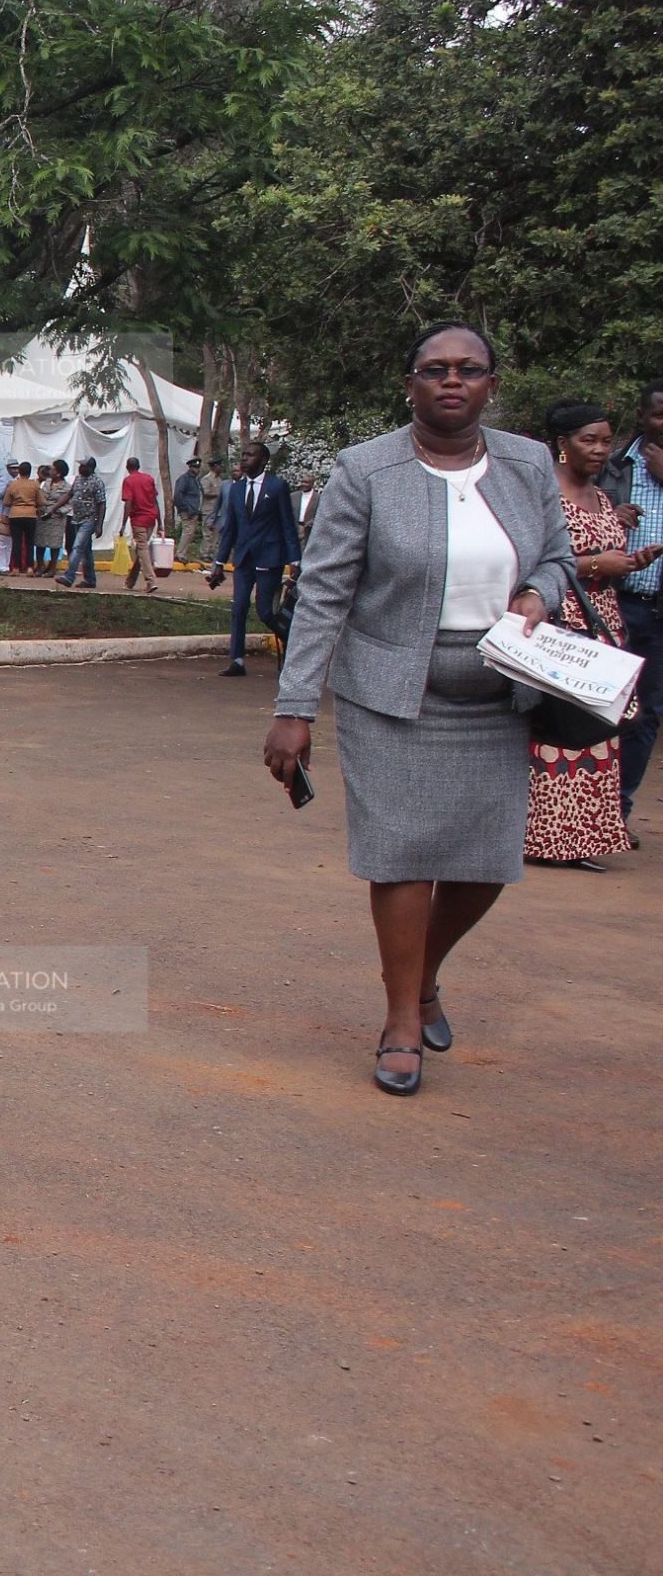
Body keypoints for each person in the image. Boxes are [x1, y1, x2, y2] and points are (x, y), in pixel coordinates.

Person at [264, 321, 573, 1096]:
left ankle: (426, 971)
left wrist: (538, 594)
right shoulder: (365, 470)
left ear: (491, 384)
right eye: (435, 369)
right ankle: (403, 1017)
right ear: (410, 384)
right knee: (401, 857)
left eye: (470, 369)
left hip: (500, 689)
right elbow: (326, 591)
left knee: (485, 861)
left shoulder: (529, 462)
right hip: (392, 692)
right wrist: (295, 704)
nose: (452, 381)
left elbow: (557, 558)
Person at [524, 403, 659, 869]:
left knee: (599, 733)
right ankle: (542, 838)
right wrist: (600, 564)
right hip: (560, 626)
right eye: (589, 440)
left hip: (603, 626)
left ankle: (580, 839)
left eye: (605, 440)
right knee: (556, 731)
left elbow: (603, 557)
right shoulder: (544, 497)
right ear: (562, 445)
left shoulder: (603, 499)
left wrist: (628, 562)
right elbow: (534, 563)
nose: (601, 450)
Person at [613, 393, 663, 829]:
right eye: (660, 413)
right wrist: (612, 515)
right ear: (642, 416)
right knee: (594, 707)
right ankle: (576, 815)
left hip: (659, 616)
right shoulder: (613, 467)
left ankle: (618, 813)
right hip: (614, 604)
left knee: (646, 713)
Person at [210, 440, 301, 674]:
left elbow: (288, 525)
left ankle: (291, 638)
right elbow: (230, 527)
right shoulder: (237, 488)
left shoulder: (277, 487)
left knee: (264, 611)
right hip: (244, 558)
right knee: (238, 607)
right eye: (243, 455)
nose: (244, 459)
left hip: (270, 557)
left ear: (263, 460)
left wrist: (295, 560)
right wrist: (219, 562)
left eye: (250, 455)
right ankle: (237, 660)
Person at [596, 380, 663, 521]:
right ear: (640, 416)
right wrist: (609, 520)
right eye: (660, 416)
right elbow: (575, 521)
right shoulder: (607, 465)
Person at [56, 457, 104, 587]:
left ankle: (69, 576)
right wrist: (53, 509)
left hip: (89, 520)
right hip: (76, 519)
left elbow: (101, 504)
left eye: (82, 466)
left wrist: (99, 525)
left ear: (89, 468)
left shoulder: (97, 482)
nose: (79, 468)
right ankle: (90, 580)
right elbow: (68, 496)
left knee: (77, 547)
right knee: (86, 551)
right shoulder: (78, 480)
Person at [118, 455, 162, 594]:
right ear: (138, 466)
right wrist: (160, 523)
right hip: (151, 519)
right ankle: (130, 581)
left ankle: (151, 581)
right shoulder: (148, 478)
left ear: (127, 467)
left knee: (142, 550)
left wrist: (124, 524)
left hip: (138, 520)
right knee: (141, 551)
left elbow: (128, 503)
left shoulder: (128, 481)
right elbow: (155, 501)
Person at [3, 461, 41, 579]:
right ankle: (30, 568)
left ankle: (16, 568)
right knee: (30, 542)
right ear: (30, 473)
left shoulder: (13, 485)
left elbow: (6, 502)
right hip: (30, 515)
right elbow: (41, 501)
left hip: (15, 515)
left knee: (17, 542)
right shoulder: (35, 485)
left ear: (19, 471)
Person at [173, 455, 207, 563]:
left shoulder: (195, 480)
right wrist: (184, 508)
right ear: (190, 467)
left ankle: (182, 553)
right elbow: (178, 494)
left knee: (190, 533)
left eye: (198, 467)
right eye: (195, 467)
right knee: (187, 532)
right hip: (188, 511)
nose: (197, 469)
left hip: (194, 510)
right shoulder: (184, 479)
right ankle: (180, 554)